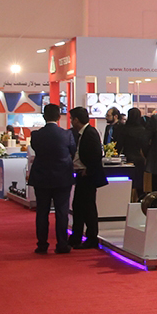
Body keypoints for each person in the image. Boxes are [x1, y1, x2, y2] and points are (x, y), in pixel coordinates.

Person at [28, 104, 76, 254]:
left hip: (41, 177)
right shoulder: (67, 134)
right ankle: (62, 244)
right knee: (62, 212)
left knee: (42, 212)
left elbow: (36, 149)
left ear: (44, 116)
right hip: (62, 177)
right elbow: (73, 152)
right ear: (59, 117)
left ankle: (42, 245)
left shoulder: (36, 135)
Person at [68, 107, 107, 249]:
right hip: (82, 175)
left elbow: (96, 155)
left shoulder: (90, 133)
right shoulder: (82, 133)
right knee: (78, 206)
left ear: (76, 120)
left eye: (71, 119)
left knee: (88, 207)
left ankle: (91, 238)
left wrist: (88, 170)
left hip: (88, 176)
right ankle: (76, 236)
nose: (71, 122)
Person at [118, 108, 151, 200]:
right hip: (140, 159)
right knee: (140, 182)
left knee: (127, 182)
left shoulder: (123, 129)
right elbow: (145, 146)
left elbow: (119, 145)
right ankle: (140, 199)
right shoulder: (142, 130)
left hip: (127, 159)